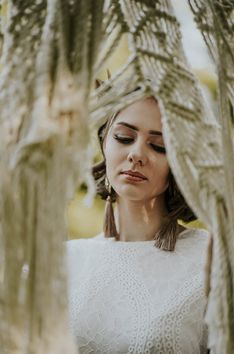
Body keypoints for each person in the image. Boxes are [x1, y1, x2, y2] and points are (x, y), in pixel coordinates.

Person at [65, 95, 210, 353]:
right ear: (104, 143)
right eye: (124, 137)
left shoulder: (212, 260)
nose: (136, 154)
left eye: (159, 146)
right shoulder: (65, 260)